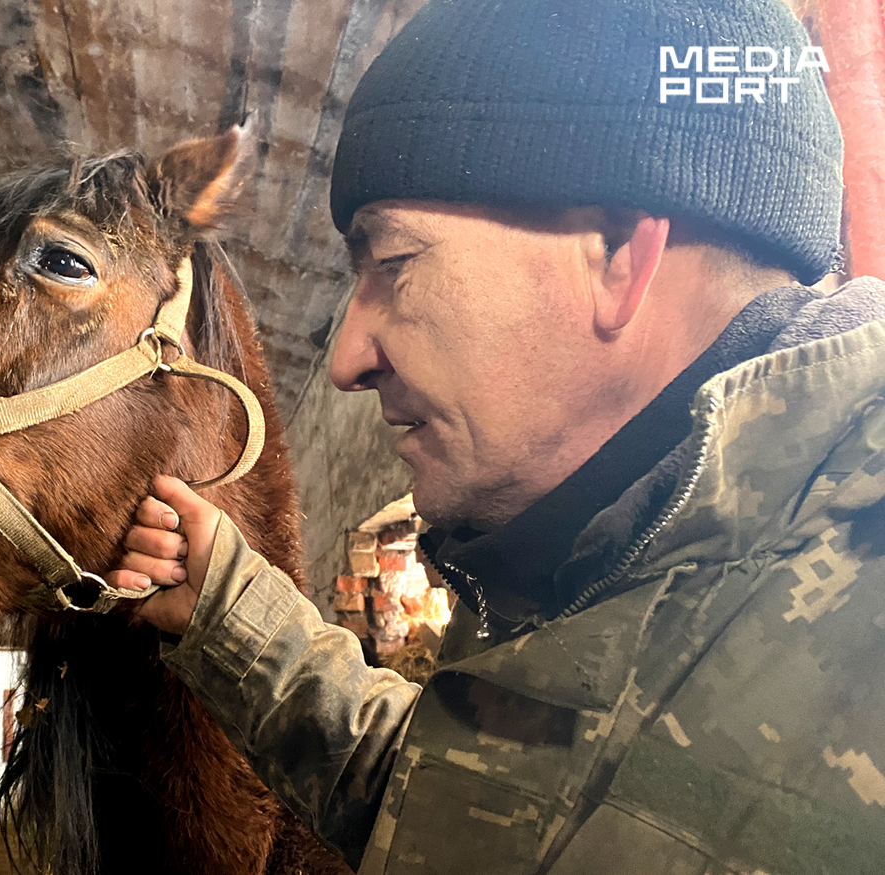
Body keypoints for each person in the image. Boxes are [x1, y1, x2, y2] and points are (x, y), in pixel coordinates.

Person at [103, 0, 885, 872]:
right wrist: (227, 609)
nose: (348, 359)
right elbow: (457, 800)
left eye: (392, 263)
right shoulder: (575, 552)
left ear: (620, 251)